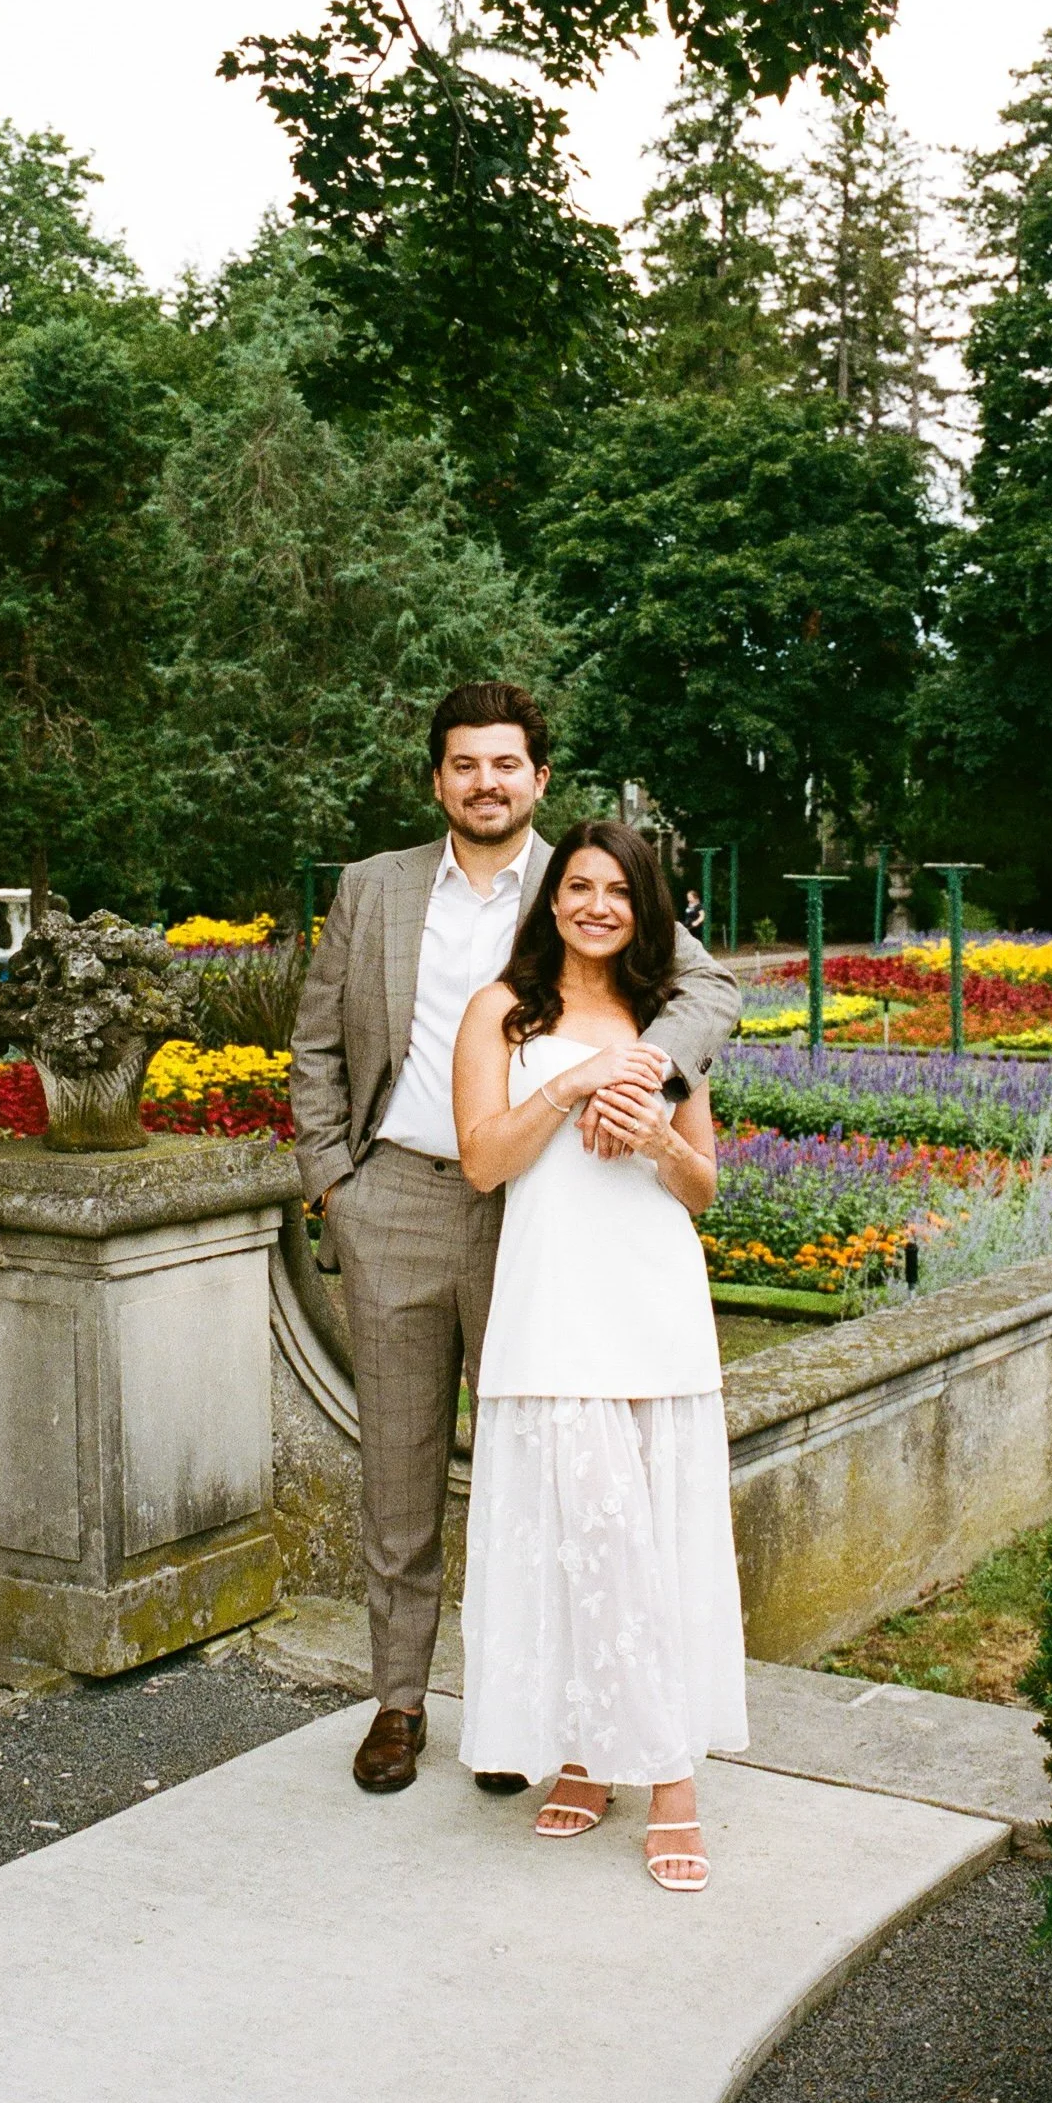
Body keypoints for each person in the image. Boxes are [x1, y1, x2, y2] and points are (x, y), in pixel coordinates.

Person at [291, 682, 740, 1798]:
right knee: (398, 1473)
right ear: (436, 778)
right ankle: (399, 1702)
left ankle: (526, 1714)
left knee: (539, 1480)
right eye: (464, 763)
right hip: (395, 1197)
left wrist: (645, 1078)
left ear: (538, 777)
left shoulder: (582, 881)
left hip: (541, 1212)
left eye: (505, 764)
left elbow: (708, 985)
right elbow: (316, 1043)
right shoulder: (373, 887)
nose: (484, 782)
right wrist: (334, 1183)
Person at [452, 819, 747, 1890]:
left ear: (644, 906)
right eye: (578, 886)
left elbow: (700, 1186)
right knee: (584, 1541)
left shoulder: (663, 1022)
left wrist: (654, 1125)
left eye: (618, 890)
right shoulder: (501, 1009)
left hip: (652, 1302)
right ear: (552, 898)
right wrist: (574, 1084)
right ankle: (592, 1751)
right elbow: (482, 1160)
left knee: (650, 1545)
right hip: (552, 1307)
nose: (596, 906)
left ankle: (665, 1783)